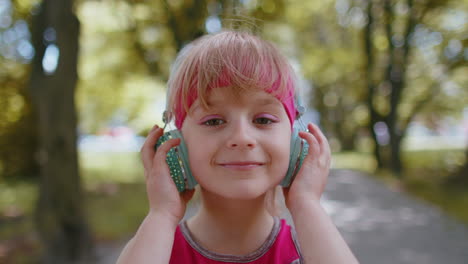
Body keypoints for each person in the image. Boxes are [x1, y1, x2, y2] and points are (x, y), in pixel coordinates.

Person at [116, 30, 359, 264]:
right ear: (176, 143)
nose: (242, 138)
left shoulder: (311, 248)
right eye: (213, 121)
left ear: (295, 141)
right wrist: (162, 213)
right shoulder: (158, 247)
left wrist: (306, 203)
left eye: (263, 120)